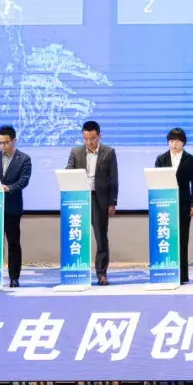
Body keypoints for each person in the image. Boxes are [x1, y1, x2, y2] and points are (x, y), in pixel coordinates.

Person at [66, 120, 119, 286]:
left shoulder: (108, 152)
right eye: (86, 139)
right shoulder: (76, 152)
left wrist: (112, 202)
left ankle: (101, 273)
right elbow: (68, 171)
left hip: (99, 198)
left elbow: (114, 179)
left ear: (99, 136)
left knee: (100, 236)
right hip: (80, 198)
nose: (89, 142)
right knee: (76, 234)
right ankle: (76, 269)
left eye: (92, 139)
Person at [0, 125, 32, 288]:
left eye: (5, 142)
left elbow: (24, 180)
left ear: (14, 141)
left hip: (12, 206)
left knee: (13, 243)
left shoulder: (24, 159)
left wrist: (9, 188)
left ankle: (14, 277)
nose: (2, 146)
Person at [154, 127, 193, 284]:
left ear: (183, 142)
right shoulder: (161, 159)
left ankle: (182, 275)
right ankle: (165, 270)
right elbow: (156, 181)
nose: (174, 144)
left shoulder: (190, 159)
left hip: (184, 204)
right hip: (165, 205)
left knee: (182, 239)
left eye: (178, 141)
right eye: (171, 141)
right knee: (166, 237)